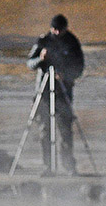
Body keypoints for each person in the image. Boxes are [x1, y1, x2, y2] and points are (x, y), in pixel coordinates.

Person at [27, 14, 84, 175]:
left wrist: (65, 75)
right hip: (44, 92)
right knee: (45, 130)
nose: (57, 33)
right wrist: (40, 59)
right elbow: (30, 63)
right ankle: (48, 166)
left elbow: (79, 68)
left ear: (66, 28)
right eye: (55, 29)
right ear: (51, 28)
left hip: (63, 91)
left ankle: (68, 166)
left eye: (61, 30)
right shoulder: (43, 41)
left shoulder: (72, 42)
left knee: (65, 129)